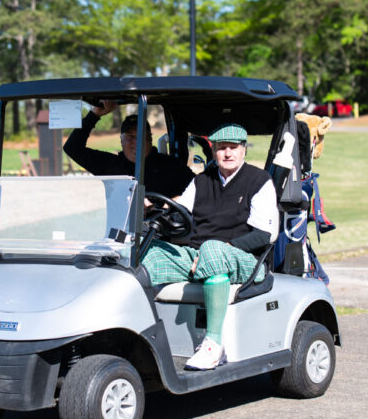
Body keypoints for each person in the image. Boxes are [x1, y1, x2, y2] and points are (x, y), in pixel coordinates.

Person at [142, 123, 279, 370]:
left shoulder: (260, 181)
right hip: (200, 253)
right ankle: (139, 336)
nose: (227, 153)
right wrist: (154, 209)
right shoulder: (201, 181)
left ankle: (214, 345)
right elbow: (179, 213)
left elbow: (263, 235)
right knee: (149, 253)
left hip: (246, 259)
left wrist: (220, 248)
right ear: (213, 151)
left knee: (212, 250)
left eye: (233, 147)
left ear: (244, 150)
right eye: (221, 148)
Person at [63, 100, 194, 198]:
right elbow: (72, 148)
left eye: (141, 136)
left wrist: (172, 203)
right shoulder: (111, 165)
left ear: (150, 138)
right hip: (122, 227)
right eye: (130, 137)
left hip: (162, 226)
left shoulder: (171, 166)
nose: (136, 142)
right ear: (121, 140)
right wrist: (94, 115)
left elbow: (197, 190)